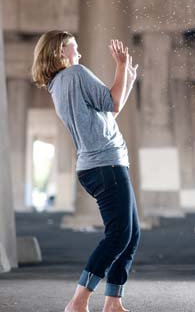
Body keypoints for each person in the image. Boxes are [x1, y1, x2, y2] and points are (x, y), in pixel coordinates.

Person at [31, 31, 139, 312]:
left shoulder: (58, 84)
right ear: (59, 52)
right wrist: (120, 66)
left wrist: (127, 77)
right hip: (107, 164)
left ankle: (113, 302)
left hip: (95, 166)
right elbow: (113, 103)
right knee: (119, 236)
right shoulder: (77, 74)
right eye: (73, 48)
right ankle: (78, 302)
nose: (79, 54)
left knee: (130, 234)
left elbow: (108, 114)